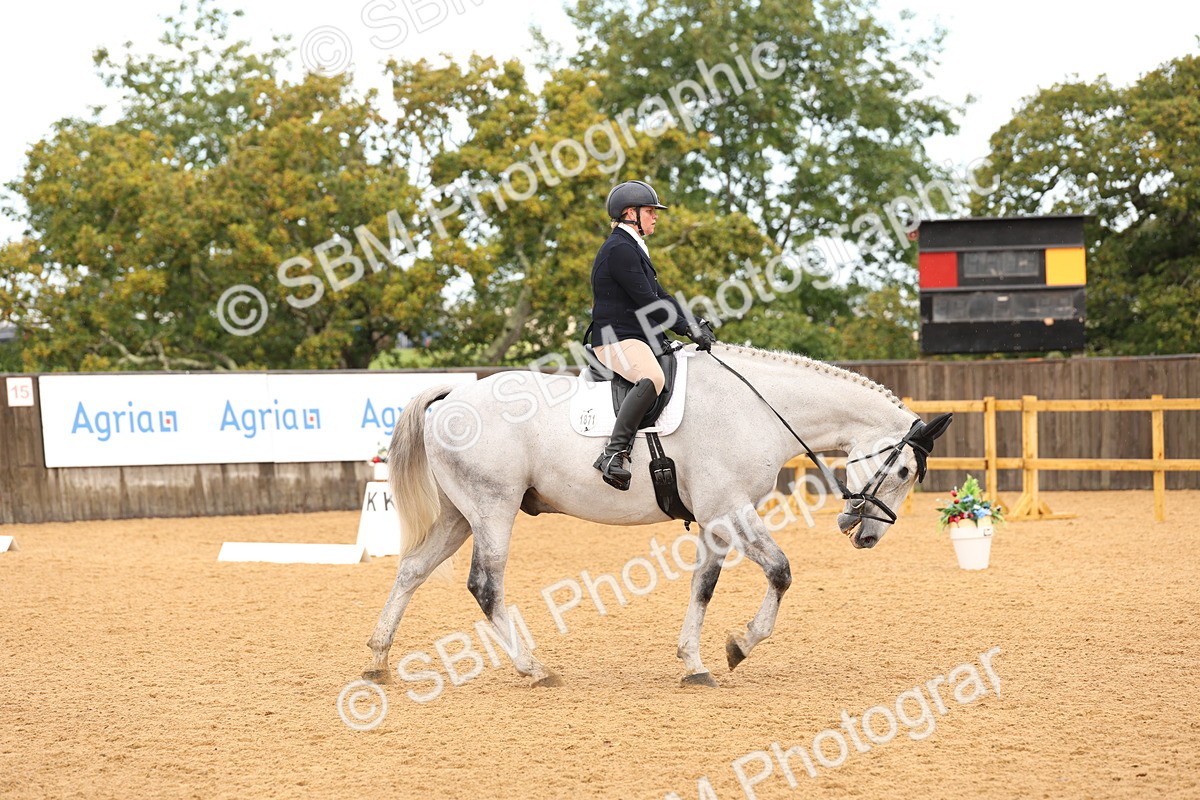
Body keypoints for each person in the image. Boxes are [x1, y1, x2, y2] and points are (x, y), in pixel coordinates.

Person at [588, 180, 717, 490]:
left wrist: (694, 322)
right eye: (650, 211)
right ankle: (614, 452)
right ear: (630, 214)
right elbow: (648, 303)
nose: (656, 216)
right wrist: (686, 328)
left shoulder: (631, 247)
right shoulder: (619, 249)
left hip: (634, 337)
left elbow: (661, 295)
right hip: (615, 340)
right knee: (653, 378)